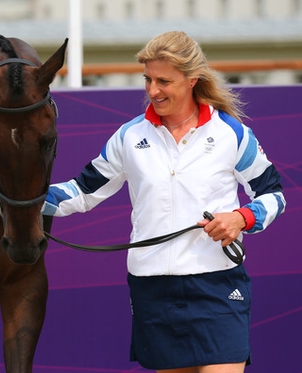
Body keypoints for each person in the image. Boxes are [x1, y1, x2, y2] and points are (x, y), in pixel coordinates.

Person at [42, 31, 286, 373]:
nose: (152, 90)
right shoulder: (129, 136)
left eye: (163, 81)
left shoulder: (232, 134)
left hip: (218, 284)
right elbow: (81, 192)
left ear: (191, 80)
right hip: (153, 287)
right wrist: (21, 200)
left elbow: (273, 195)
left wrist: (241, 218)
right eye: (148, 79)